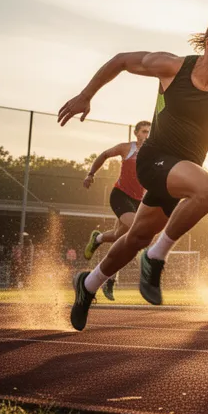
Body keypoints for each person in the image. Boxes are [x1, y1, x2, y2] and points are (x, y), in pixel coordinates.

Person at [58, 16, 208, 331]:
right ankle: (156, 257)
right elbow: (121, 60)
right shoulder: (173, 67)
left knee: (136, 237)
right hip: (154, 161)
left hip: (182, 176)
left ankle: (88, 285)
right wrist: (86, 95)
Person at [81, 120, 152, 300]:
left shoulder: (154, 153)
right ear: (136, 133)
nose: (147, 135)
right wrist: (90, 174)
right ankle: (142, 262)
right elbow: (105, 154)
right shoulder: (126, 148)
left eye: (150, 132)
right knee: (138, 230)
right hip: (120, 196)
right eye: (144, 132)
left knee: (119, 236)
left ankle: (97, 238)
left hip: (138, 201)